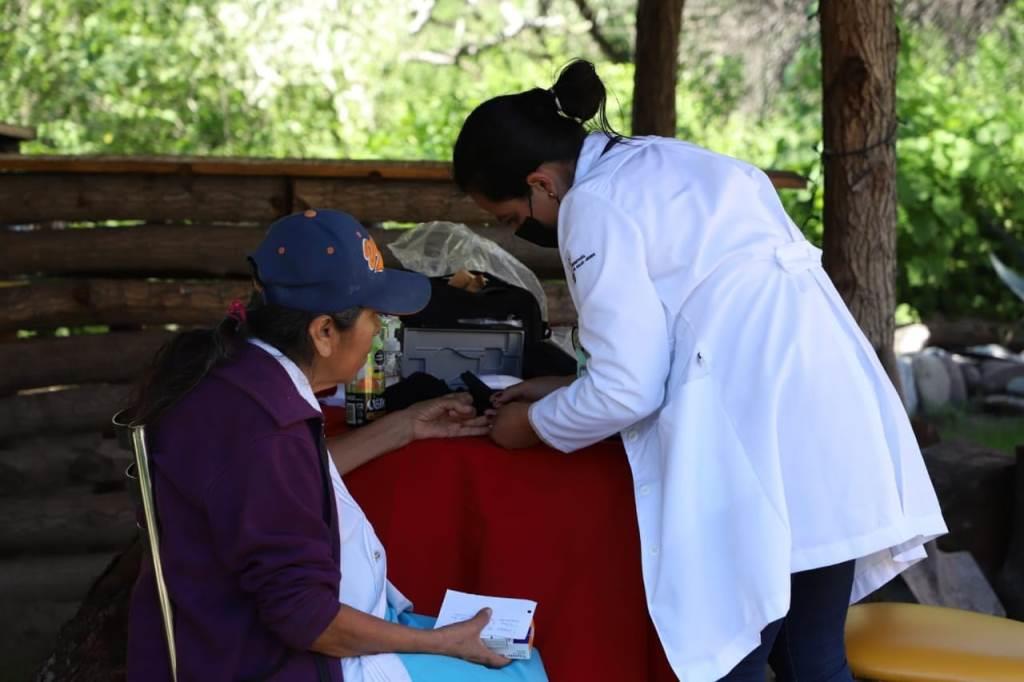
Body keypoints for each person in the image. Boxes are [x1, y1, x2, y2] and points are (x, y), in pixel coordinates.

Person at [451, 60, 948, 682]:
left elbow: (629, 389)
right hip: (832, 420)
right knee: (812, 657)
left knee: (730, 659)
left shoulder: (593, 204)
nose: (519, 230)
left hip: (758, 441)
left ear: (541, 183)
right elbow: (694, 322)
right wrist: (567, 387)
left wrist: (532, 425)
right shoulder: (673, 161)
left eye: (507, 217)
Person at [126, 208, 548, 682]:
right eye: (374, 317)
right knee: (516, 674)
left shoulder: (241, 378)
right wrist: (442, 643)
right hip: (291, 664)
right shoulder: (264, 427)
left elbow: (285, 483)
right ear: (324, 332)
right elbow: (307, 619)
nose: (379, 331)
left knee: (520, 656)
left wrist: (403, 427)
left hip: (287, 639)